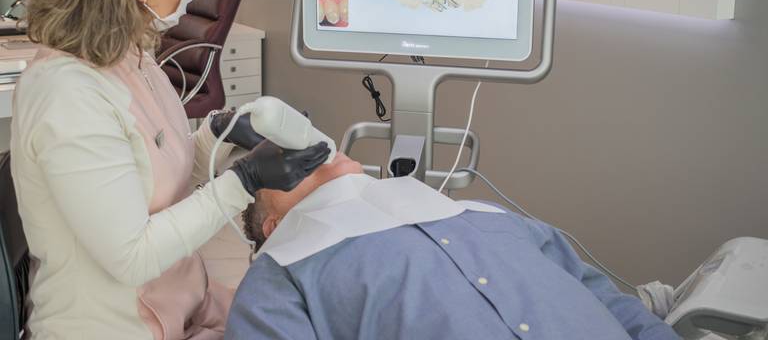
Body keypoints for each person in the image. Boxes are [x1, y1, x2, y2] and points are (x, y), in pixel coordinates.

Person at [10, 0, 329, 339]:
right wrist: (243, 181)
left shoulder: (129, 56)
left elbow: (154, 172)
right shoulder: (67, 96)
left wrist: (219, 134)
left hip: (182, 302)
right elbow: (132, 256)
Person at [226, 151, 681, 340]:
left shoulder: (485, 213)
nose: (301, 156)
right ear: (274, 225)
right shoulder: (281, 274)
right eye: (279, 171)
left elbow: (612, 304)